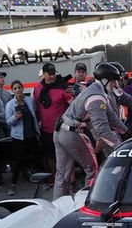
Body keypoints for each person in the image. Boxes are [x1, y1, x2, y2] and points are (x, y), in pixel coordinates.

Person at [53, 63, 125, 199]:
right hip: (73, 132)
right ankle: (87, 202)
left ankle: (57, 206)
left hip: (60, 131)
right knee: (92, 169)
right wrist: (121, 147)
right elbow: (101, 125)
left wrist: (125, 130)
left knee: (62, 174)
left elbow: (106, 117)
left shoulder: (92, 89)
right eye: (114, 81)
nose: (115, 84)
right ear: (105, 80)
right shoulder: (97, 96)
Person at [33, 63, 73, 182]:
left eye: (53, 74)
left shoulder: (63, 87)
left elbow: (72, 106)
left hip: (63, 129)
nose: (51, 76)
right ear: (44, 74)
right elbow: (36, 107)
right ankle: (55, 179)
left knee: (67, 156)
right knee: (50, 155)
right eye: (49, 74)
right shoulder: (38, 89)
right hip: (46, 130)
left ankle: (71, 180)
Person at [5, 80, 40, 197]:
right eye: (15, 88)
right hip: (18, 137)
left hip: (31, 135)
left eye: (19, 87)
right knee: (18, 161)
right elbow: (8, 122)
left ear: (22, 89)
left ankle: (42, 181)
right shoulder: (10, 104)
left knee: (37, 158)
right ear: (12, 91)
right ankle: (13, 186)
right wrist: (14, 117)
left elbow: (35, 114)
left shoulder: (30, 101)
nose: (18, 90)